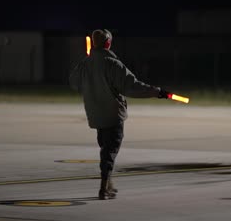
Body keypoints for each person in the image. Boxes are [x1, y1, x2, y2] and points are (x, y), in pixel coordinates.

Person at [69, 29, 170, 200]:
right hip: (112, 114)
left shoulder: (85, 64)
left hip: (95, 115)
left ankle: (109, 184)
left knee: (105, 149)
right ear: (108, 43)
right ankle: (104, 187)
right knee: (110, 150)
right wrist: (157, 92)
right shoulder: (112, 64)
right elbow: (132, 86)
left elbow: (73, 82)